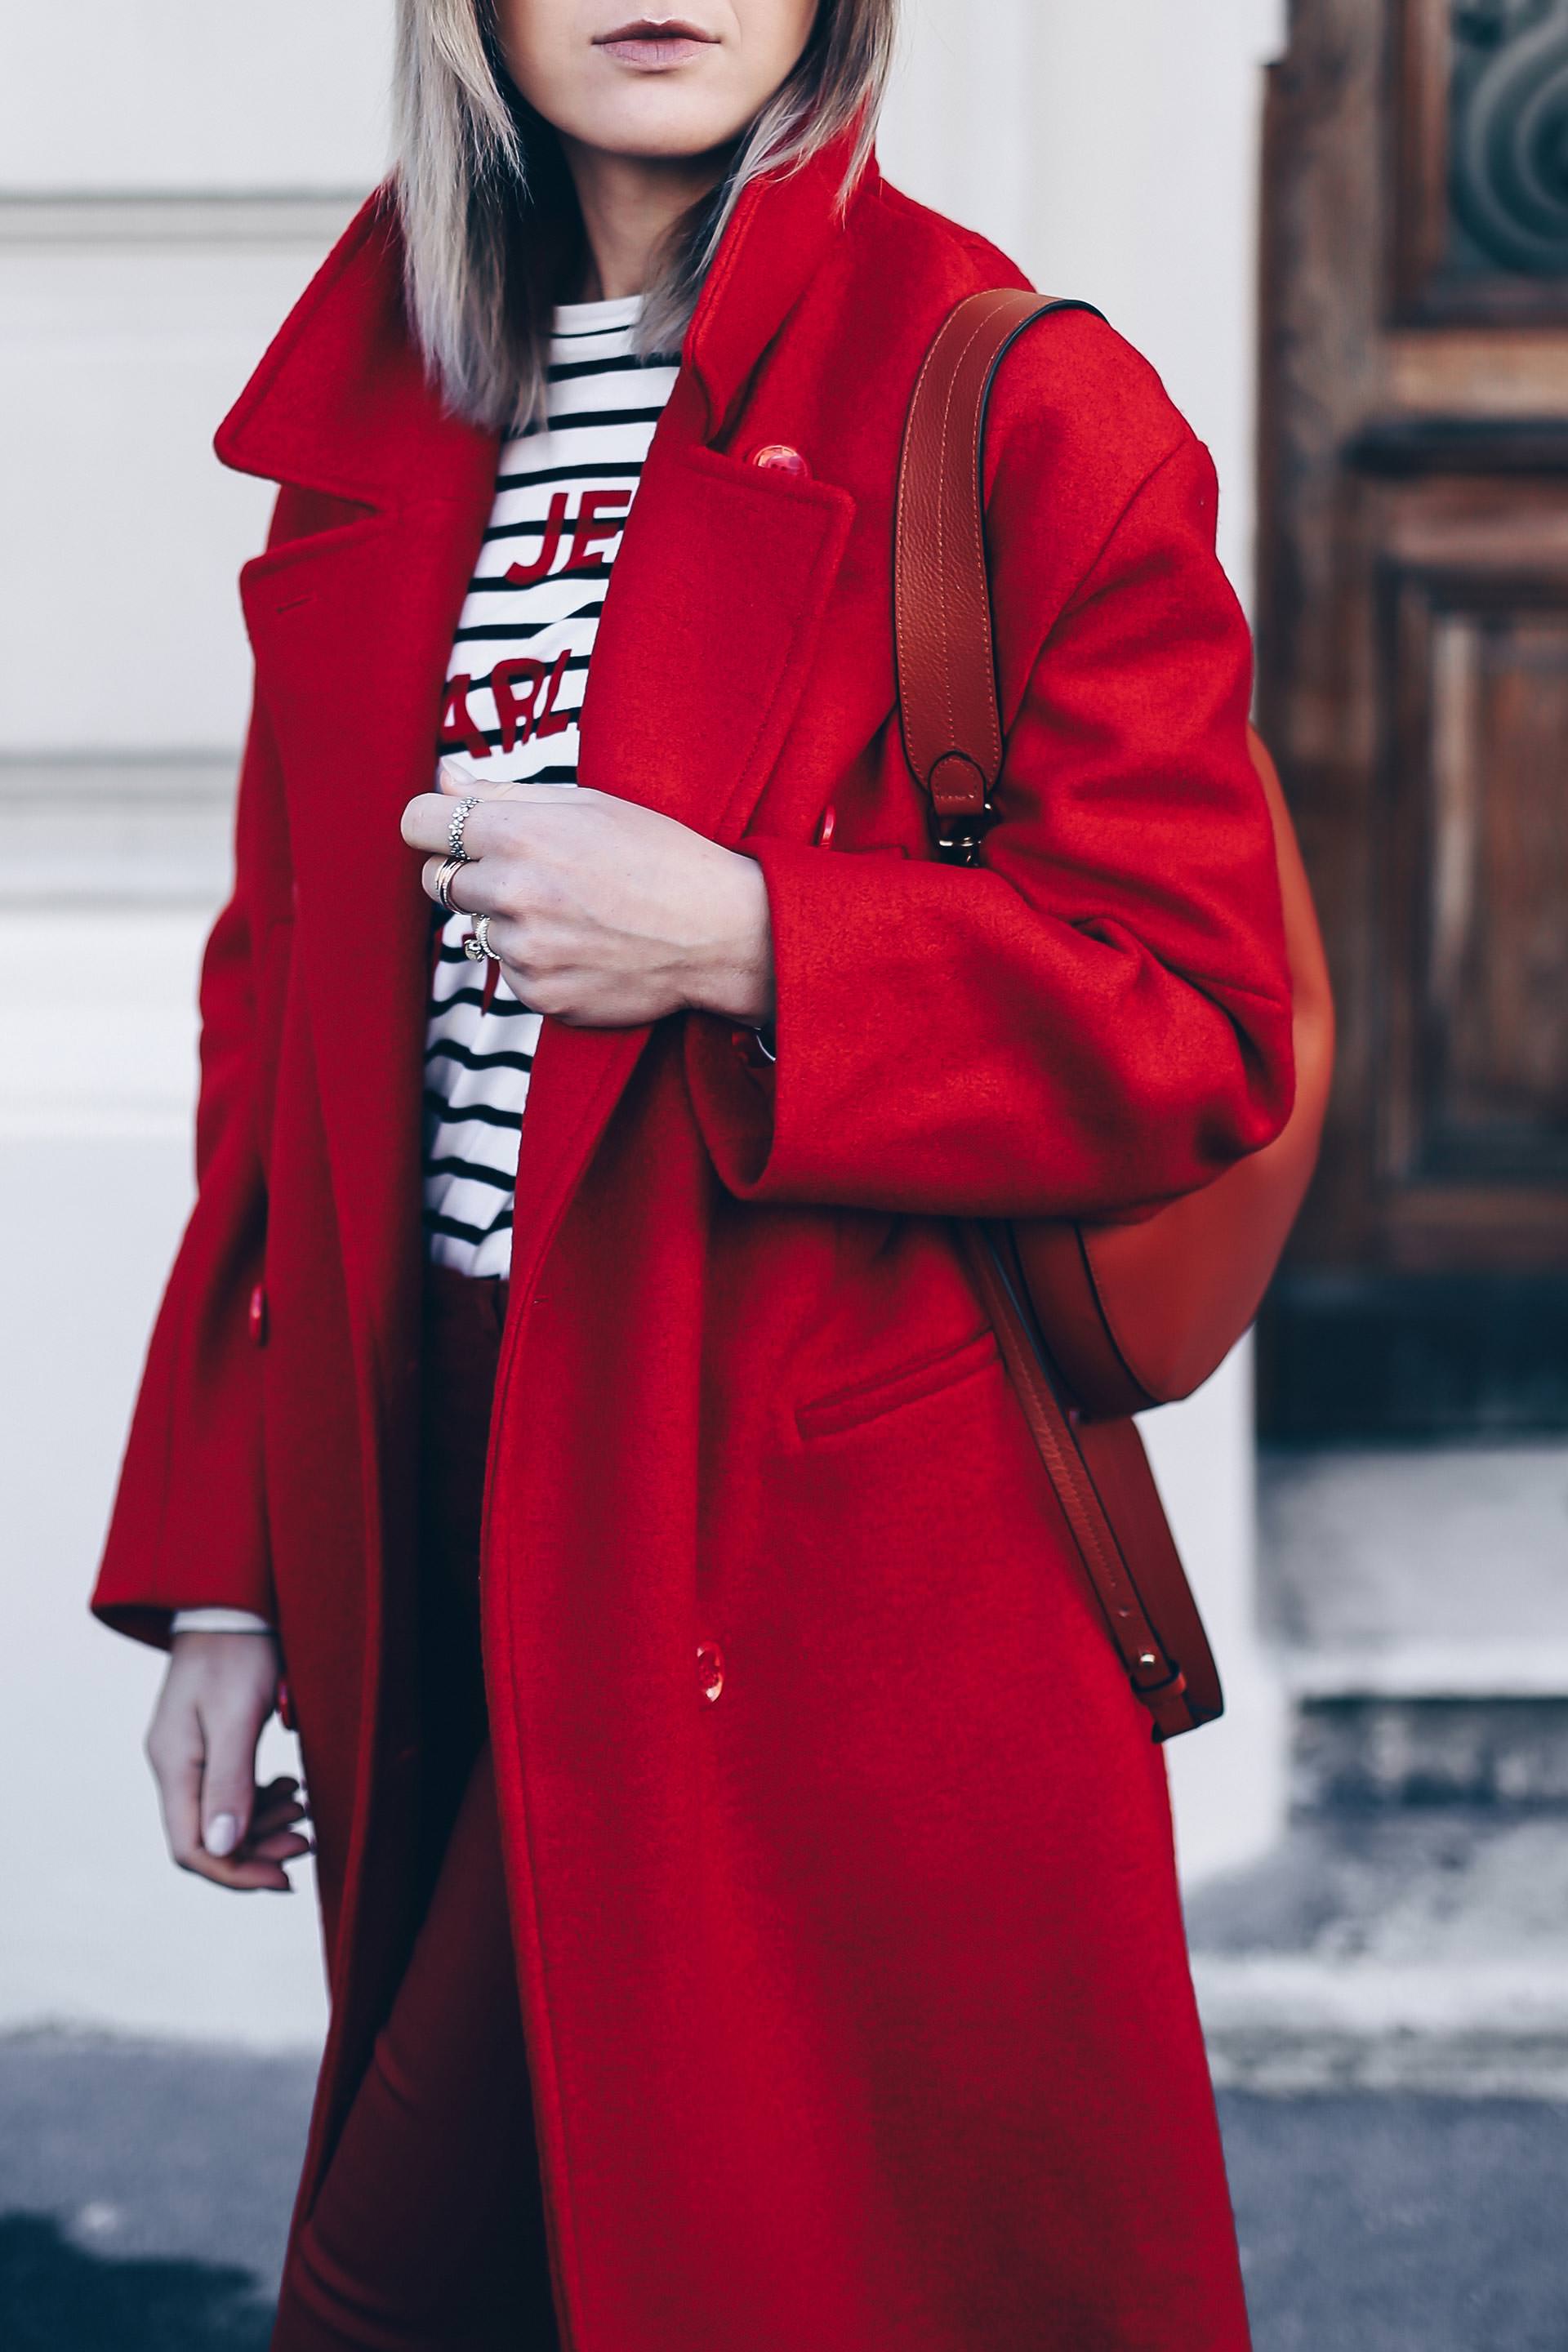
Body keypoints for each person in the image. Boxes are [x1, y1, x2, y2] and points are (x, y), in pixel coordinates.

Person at [92, 4, 1295, 2345]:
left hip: (800, 1540)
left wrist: (760, 939)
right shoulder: (387, 405)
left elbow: (1204, 1021)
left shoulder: (1015, 396)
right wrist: (223, 1572)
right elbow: (281, 1031)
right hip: (426, 1465)